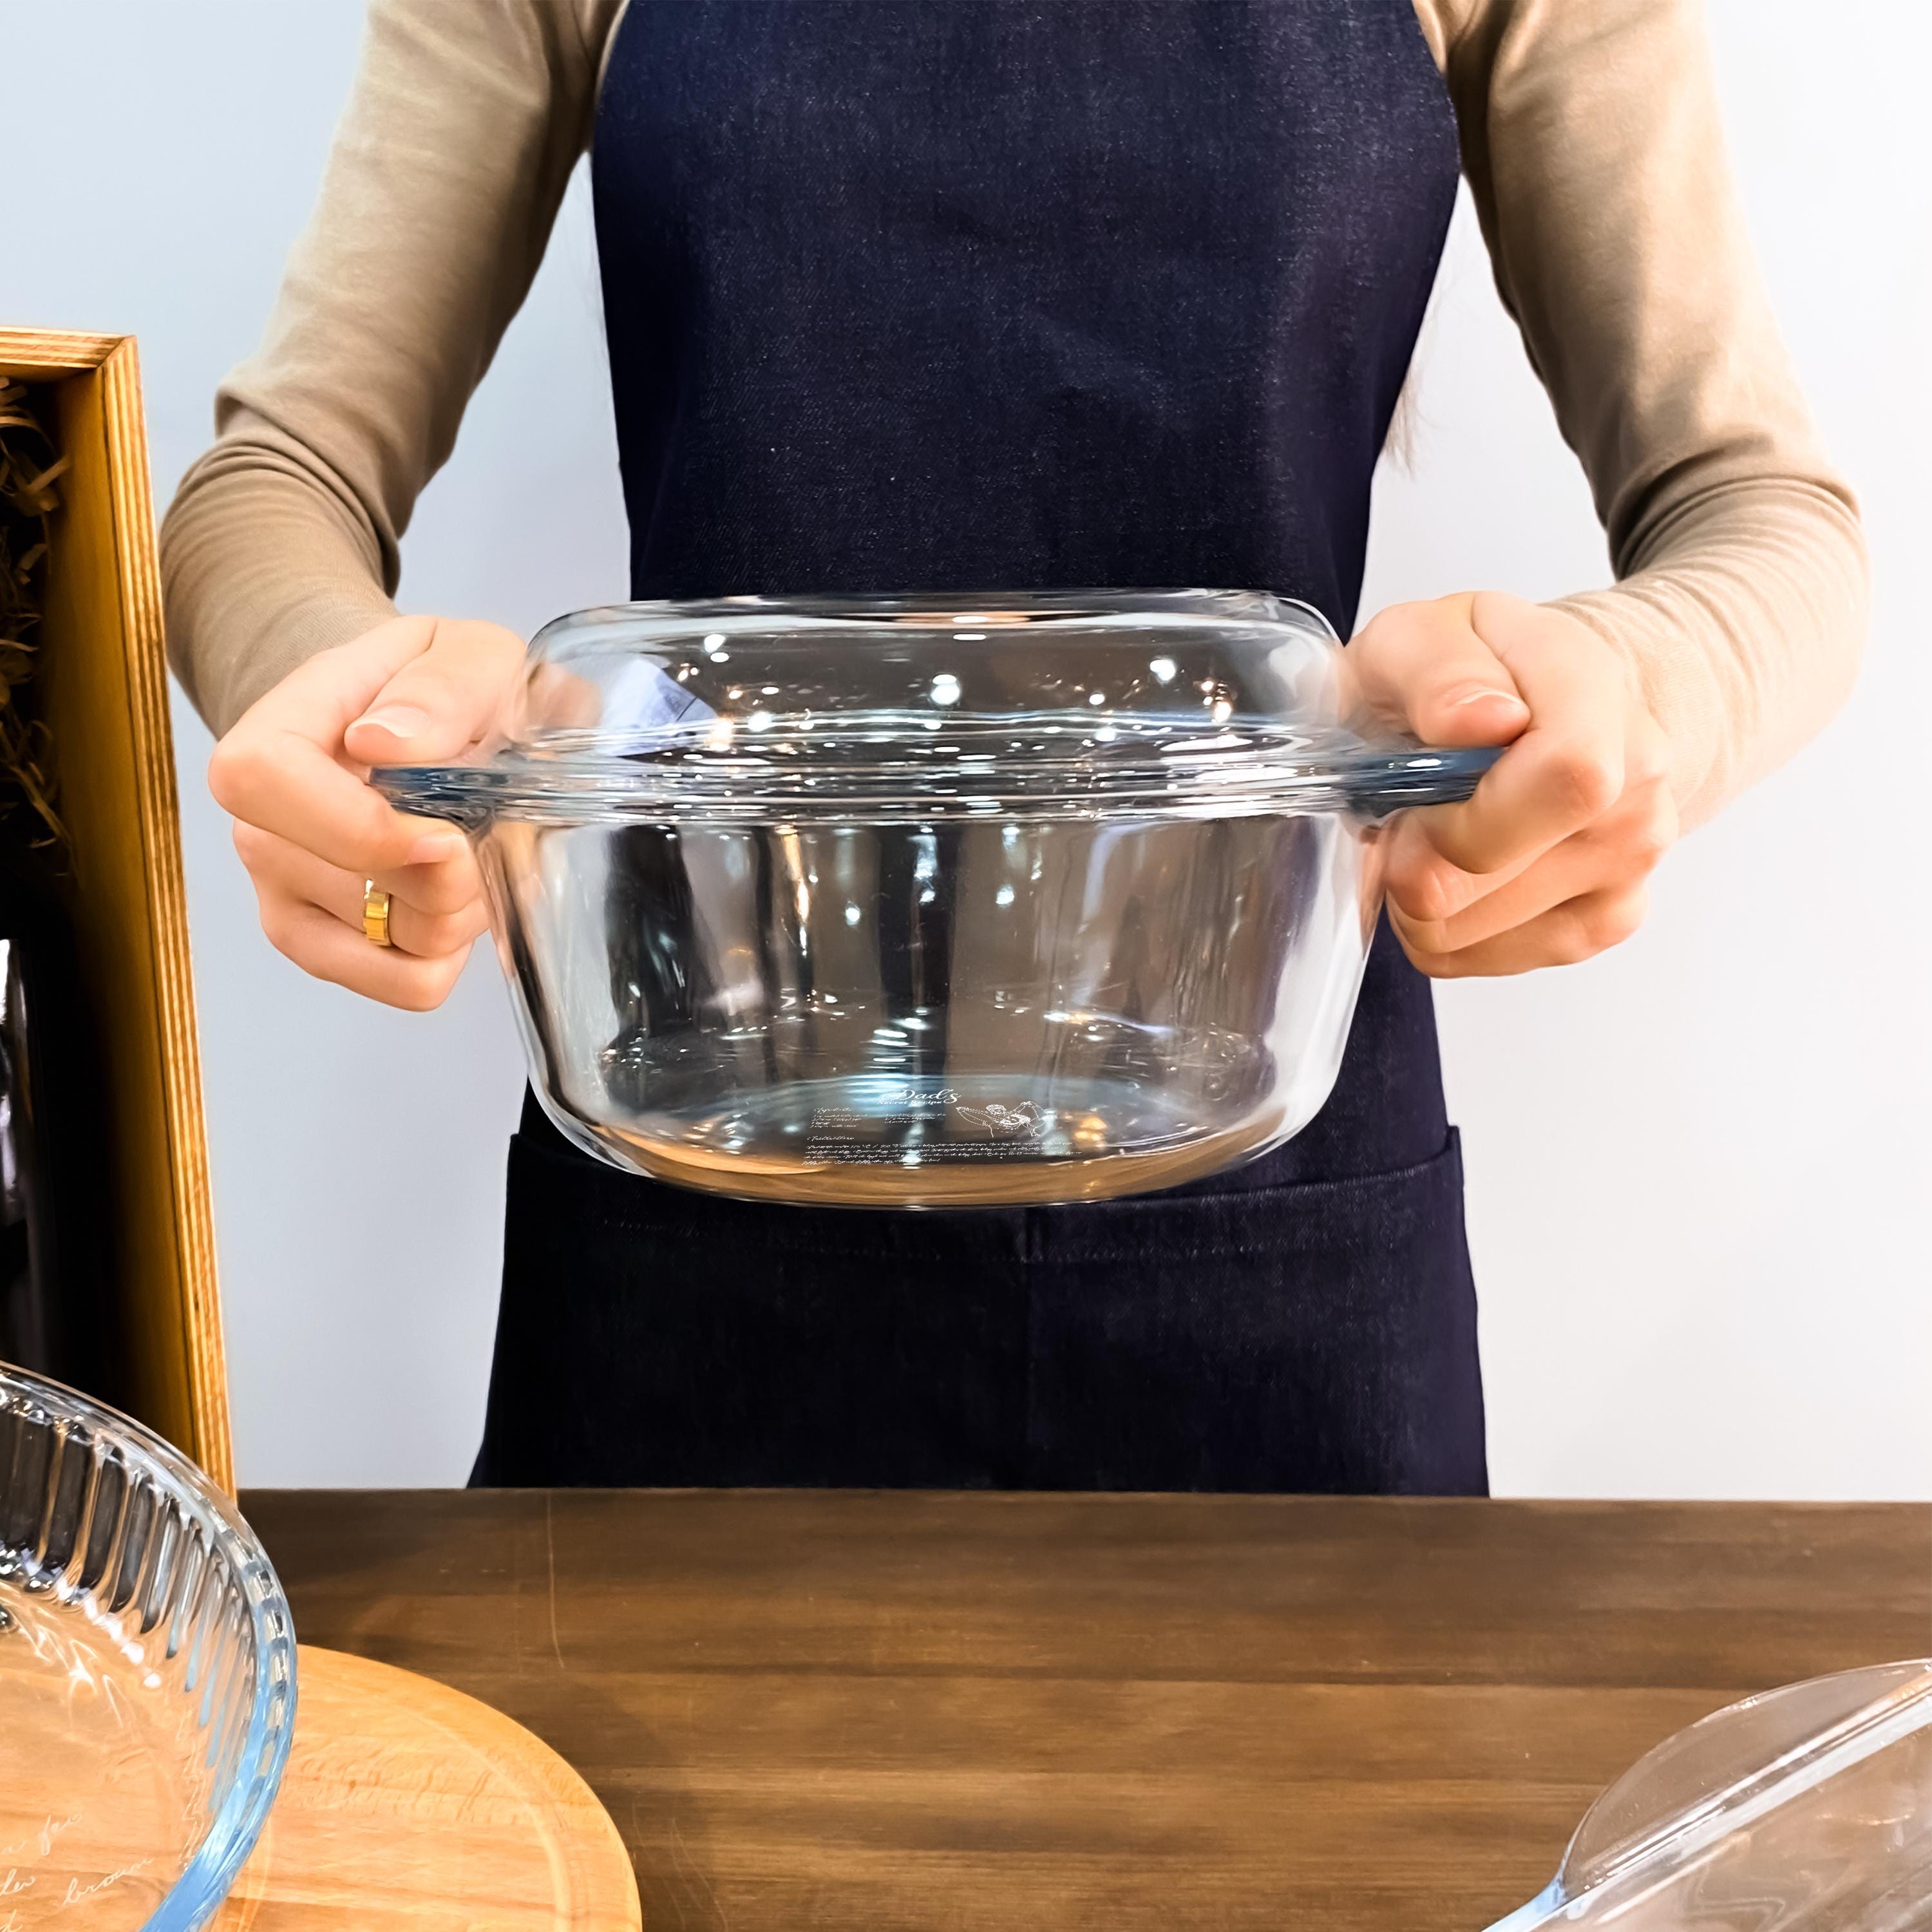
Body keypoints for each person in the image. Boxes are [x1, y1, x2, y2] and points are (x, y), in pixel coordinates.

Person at [161, 0, 1866, 1493]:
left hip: (1277, 1178)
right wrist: (346, 699)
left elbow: (1758, 511)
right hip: (696, 1172)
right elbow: (280, 479)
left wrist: (1636, 691)